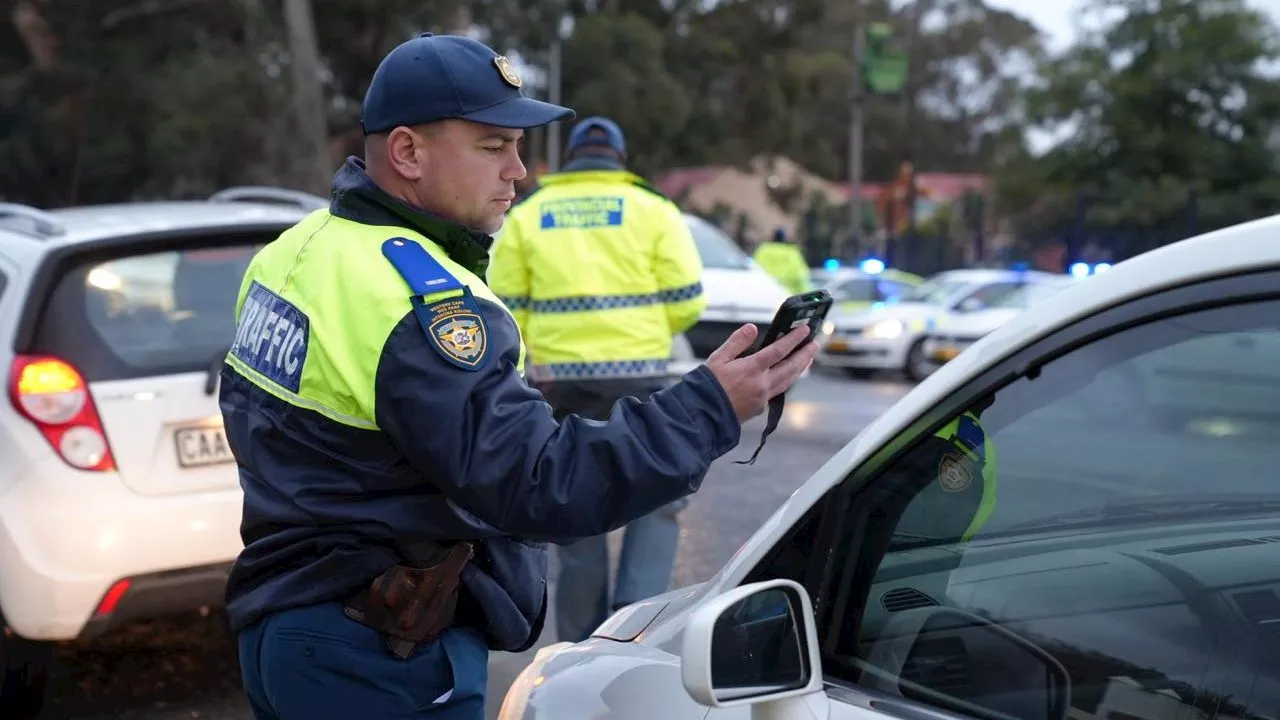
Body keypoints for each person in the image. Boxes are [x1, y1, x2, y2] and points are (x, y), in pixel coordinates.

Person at [217, 32, 818, 720]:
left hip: (285, 632)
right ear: (408, 152)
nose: (519, 172)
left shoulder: (296, 249)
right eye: (492, 147)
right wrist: (711, 406)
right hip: (380, 656)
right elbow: (540, 484)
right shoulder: (421, 303)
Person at [488, 116, 707, 643]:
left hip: (558, 382)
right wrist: (645, 333)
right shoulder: (653, 210)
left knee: (574, 509)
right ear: (619, 157)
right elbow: (688, 301)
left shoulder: (531, 213)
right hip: (641, 376)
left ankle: (580, 644)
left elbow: (505, 303)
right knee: (655, 502)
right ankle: (636, 634)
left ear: (570, 159)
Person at [754, 227, 813, 295]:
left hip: (765, 294)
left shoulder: (763, 250)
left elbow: (754, 269)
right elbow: (801, 276)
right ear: (784, 238)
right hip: (788, 296)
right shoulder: (792, 252)